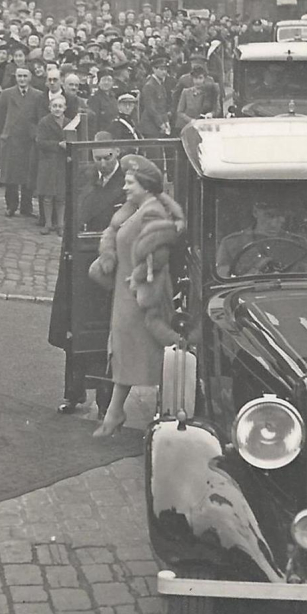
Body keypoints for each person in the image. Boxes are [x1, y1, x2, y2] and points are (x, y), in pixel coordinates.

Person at [88, 154, 185, 438]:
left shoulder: (153, 212)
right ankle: (116, 413)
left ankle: (160, 413)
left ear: (145, 184)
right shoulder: (135, 207)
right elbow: (116, 234)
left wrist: (141, 279)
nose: (125, 187)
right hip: (125, 290)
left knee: (145, 352)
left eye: (130, 182)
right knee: (127, 351)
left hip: (141, 294)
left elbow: (159, 253)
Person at [49, 131, 126, 417]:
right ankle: (73, 392)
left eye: (108, 157)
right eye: (98, 159)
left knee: (103, 333)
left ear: (117, 153)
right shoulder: (83, 177)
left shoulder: (125, 186)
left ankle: (105, 402)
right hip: (78, 262)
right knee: (74, 331)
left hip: (107, 267)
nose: (103, 164)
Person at [0, 65, 42, 217]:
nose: (22, 79)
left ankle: (26, 207)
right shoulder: (7, 94)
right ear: (15, 78)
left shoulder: (38, 95)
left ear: (30, 78)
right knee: (11, 175)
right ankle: (11, 205)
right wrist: (6, 132)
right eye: (19, 76)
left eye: (25, 76)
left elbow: (39, 117)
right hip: (11, 140)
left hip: (28, 140)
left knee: (28, 174)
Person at [35, 93, 70, 235]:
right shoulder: (44, 122)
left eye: (60, 106)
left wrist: (69, 151)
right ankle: (48, 223)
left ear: (65, 108)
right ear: (50, 107)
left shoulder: (69, 123)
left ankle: (60, 224)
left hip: (62, 162)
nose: (57, 109)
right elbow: (40, 142)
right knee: (48, 195)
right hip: (48, 162)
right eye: (54, 106)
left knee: (61, 196)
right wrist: (58, 145)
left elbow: (74, 140)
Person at [138, 56, 172, 138]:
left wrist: (166, 122)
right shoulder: (149, 85)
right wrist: (161, 123)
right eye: (161, 69)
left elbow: (163, 107)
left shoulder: (160, 84)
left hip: (158, 125)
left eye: (165, 69)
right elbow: (151, 108)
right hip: (150, 126)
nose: (164, 72)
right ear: (154, 69)